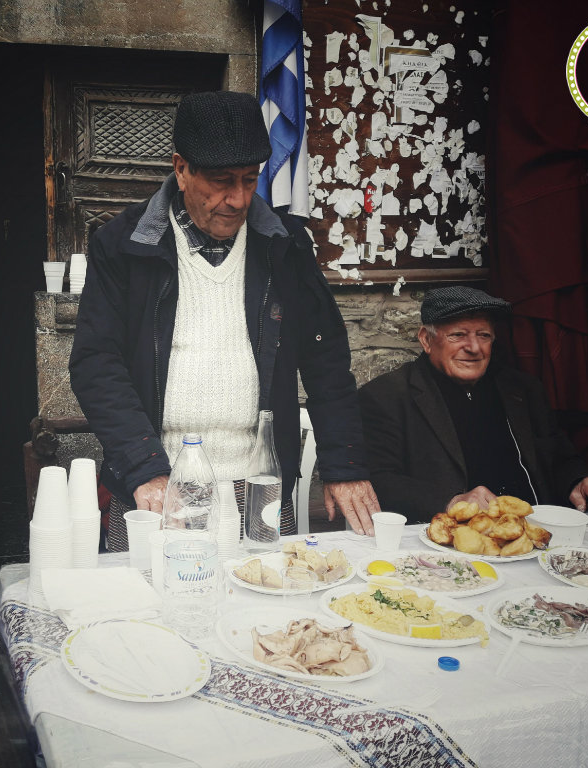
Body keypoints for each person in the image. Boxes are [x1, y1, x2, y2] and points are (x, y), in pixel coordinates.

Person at [70, 90, 379, 549]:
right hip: (158, 481)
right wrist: (145, 468)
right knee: (151, 611)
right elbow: (96, 363)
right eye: (219, 181)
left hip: (260, 483)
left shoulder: (285, 244)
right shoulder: (123, 244)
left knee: (268, 608)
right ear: (181, 169)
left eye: (249, 180)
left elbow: (326, 359)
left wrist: (345, 465)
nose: (236, 199)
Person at [358, 286, 588, 524]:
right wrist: (452, 502)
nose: (474, 348)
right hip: (455, 540)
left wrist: (577, 479)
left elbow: (558, 454)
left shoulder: (523, 389)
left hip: (535, 529)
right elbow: (379, 481)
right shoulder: (387, 396)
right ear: (426, 339)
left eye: (483, 335)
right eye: (458, 335)